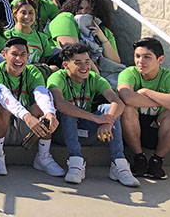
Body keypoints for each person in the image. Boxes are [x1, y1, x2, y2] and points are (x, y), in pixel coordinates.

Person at [47, 43, 138, 187]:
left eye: (87, 62)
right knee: (69, 112)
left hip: (86, 132)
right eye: (78, 63)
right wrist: (96, 118)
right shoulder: (57, 78)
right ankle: (76, 163)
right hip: (62, 133)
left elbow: (117, 102)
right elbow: (60, 104)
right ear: (66, 65)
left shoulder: (93, 78)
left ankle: (119, 164)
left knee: (108, 108)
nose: (84, 67)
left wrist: (108, 122)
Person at [0, 36, 65, 177]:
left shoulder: (32, 71)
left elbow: (41, 93)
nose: (19, 59)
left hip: (27, 128)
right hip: (1, 126)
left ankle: (43, 157)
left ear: (28, 56)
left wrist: (50, 113)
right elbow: (4, 96)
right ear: (4, 55)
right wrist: (27, 117)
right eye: (14, 54)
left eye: (23, 55)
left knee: (45, 105)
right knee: (3, 106)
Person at [117, 37, 170, 180]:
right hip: (130, 130)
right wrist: (163, 101)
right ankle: (139, 158)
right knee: (127, 108)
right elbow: (127, 97)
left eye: (147, 57)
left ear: (160, 59)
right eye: (137, 56)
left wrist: (147, 92)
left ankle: (157, 161)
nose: (140, 61)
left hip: (157, 130)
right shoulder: (129, 73)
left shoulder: (169, 77)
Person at [48, 0, 122, 73]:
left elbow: (115, 62)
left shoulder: (104, 31)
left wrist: (102, 38)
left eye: (88, 9)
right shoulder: (65, 18)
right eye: (80, 8)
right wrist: (96, 77)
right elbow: (73, 53)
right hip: (71, 68)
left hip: (101, 71)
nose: (83, 12)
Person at [4, 0, 56, 65]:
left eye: (31, 13)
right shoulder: (7, 35)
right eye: (23, 13)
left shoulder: (42, 38)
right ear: (15, 15)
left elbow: (44, 61)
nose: (27, 17)